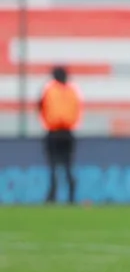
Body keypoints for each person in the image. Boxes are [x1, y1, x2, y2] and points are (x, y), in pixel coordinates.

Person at [38, 65, 82, 204]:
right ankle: (71, 197)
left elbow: (40, 107)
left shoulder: (50, 90)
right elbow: (78, 109)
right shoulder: (73, 91)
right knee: (68, 165)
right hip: (68, 132)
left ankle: (52, 196)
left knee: (53, 166)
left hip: (53, 132)